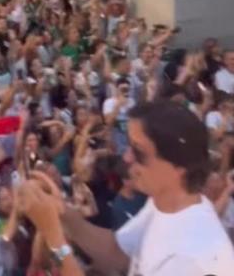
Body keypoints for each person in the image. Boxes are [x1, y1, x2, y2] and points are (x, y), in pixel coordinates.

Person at [17, 100, 234, 275]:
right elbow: (117, 252)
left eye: (139, 152)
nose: (127, 157)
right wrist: (62, 213)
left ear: (179, 167)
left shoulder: (188, 261)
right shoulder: (162, 203)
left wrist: (53, 236)